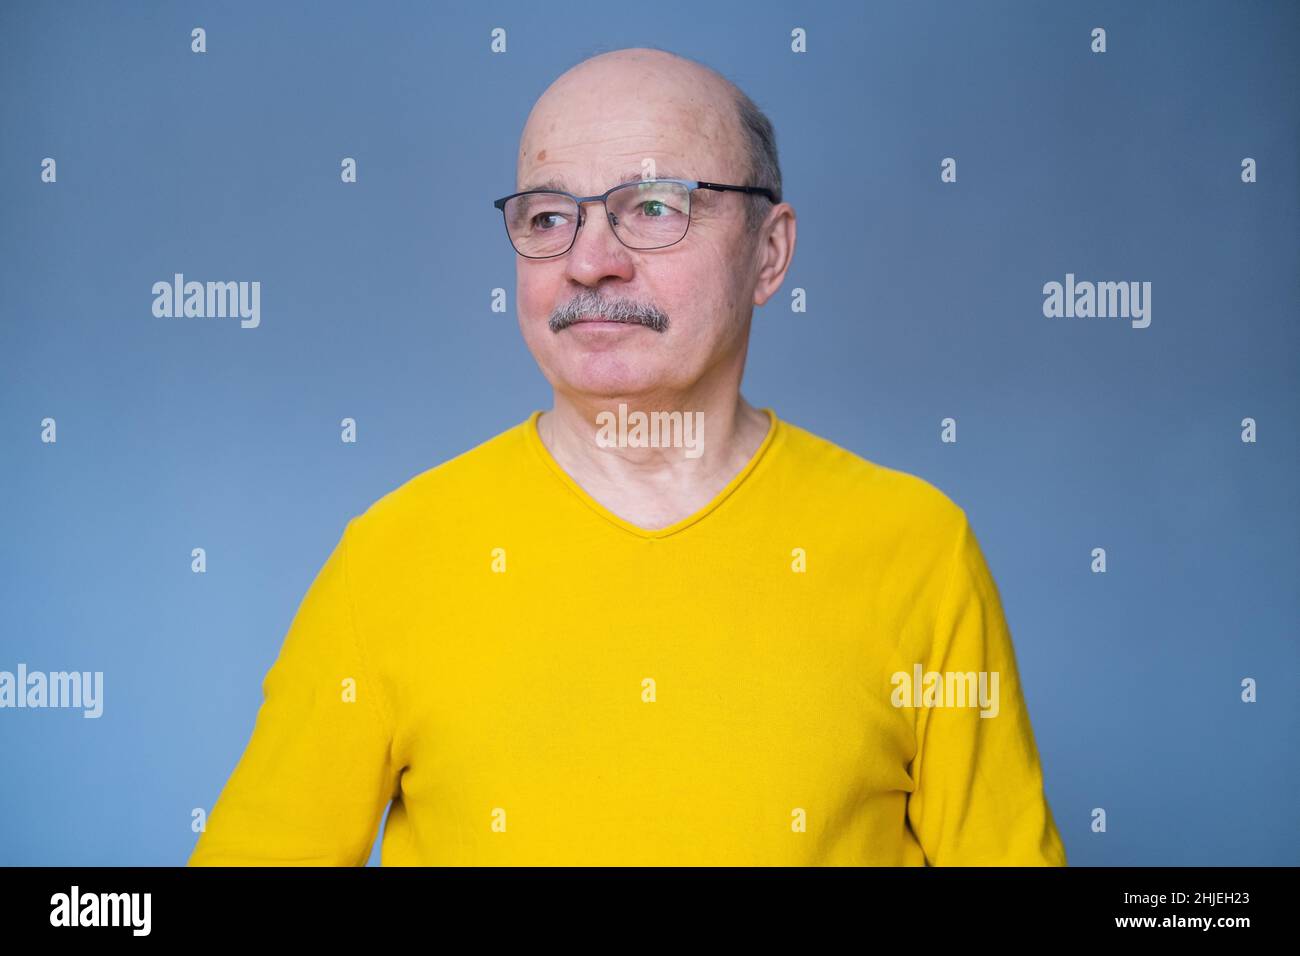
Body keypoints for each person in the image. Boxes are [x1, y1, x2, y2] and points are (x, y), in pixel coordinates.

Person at [188, 46, 1067, 866]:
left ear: (770, 252)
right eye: (548, 216)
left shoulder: (918, 547)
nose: (589, 262)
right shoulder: (388, 559)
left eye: (654, 208)